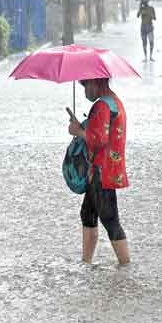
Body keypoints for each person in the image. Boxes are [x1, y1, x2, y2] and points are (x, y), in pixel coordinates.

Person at [67, 78, 130, 265]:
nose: (85, 92)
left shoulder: (102, 105)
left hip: (101, 172)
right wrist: (83, 126)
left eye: (85, 86)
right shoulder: (114, 102)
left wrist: (77, 131)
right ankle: (86, 263)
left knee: (110, 219)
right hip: (107, 169)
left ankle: (125, 266)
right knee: (87, 213)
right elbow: (103, 133)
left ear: (95, 83)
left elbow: (98, 139)